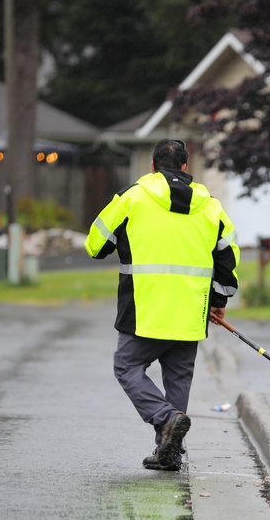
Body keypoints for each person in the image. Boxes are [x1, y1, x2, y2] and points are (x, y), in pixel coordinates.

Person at [85, 138, 239, 471]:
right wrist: (219, 300)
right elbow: (228, 258)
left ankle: (166, 419)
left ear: (153, 167)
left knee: (126, 367)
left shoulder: (131, 198)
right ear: (186, 167)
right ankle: (168, 449)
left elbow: (95, 245)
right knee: (178, 378)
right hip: (190, 312)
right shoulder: (211, 206)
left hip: (144, 308)